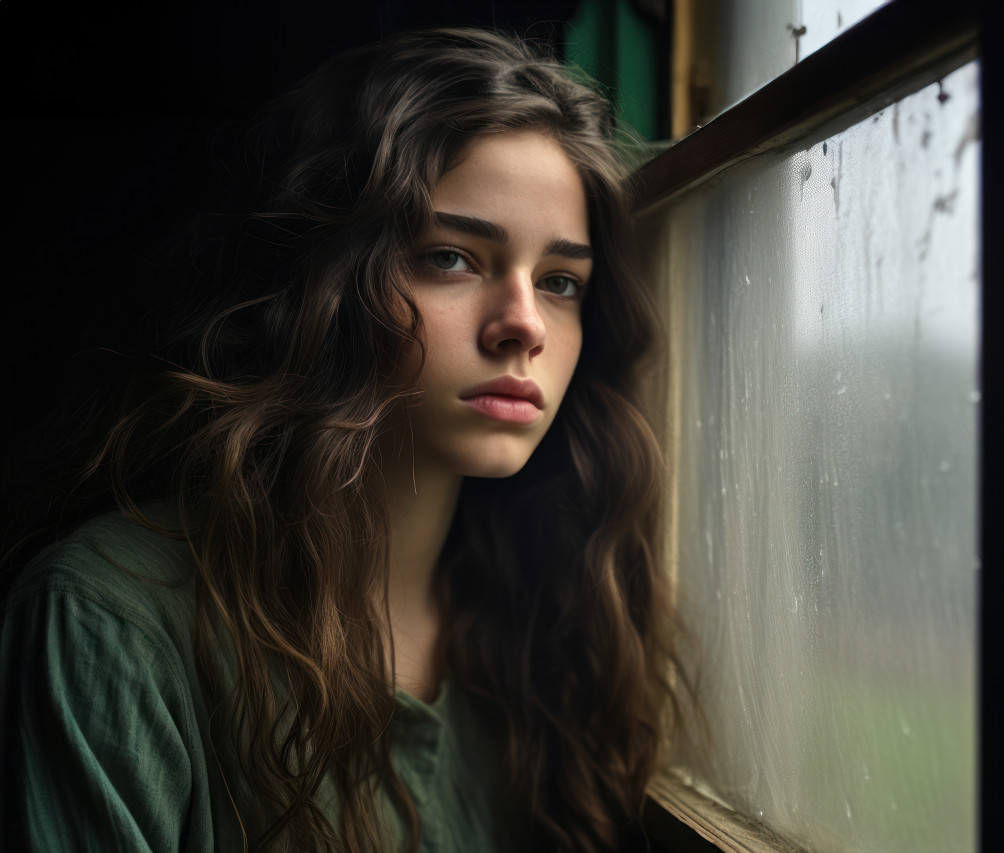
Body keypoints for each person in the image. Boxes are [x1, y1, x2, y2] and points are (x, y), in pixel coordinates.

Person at [0, 27, 681, 853]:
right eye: (452, 258)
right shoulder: (109, 620)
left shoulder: (548, 631)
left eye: (561, 281)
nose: (523, 326)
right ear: (325, 280)